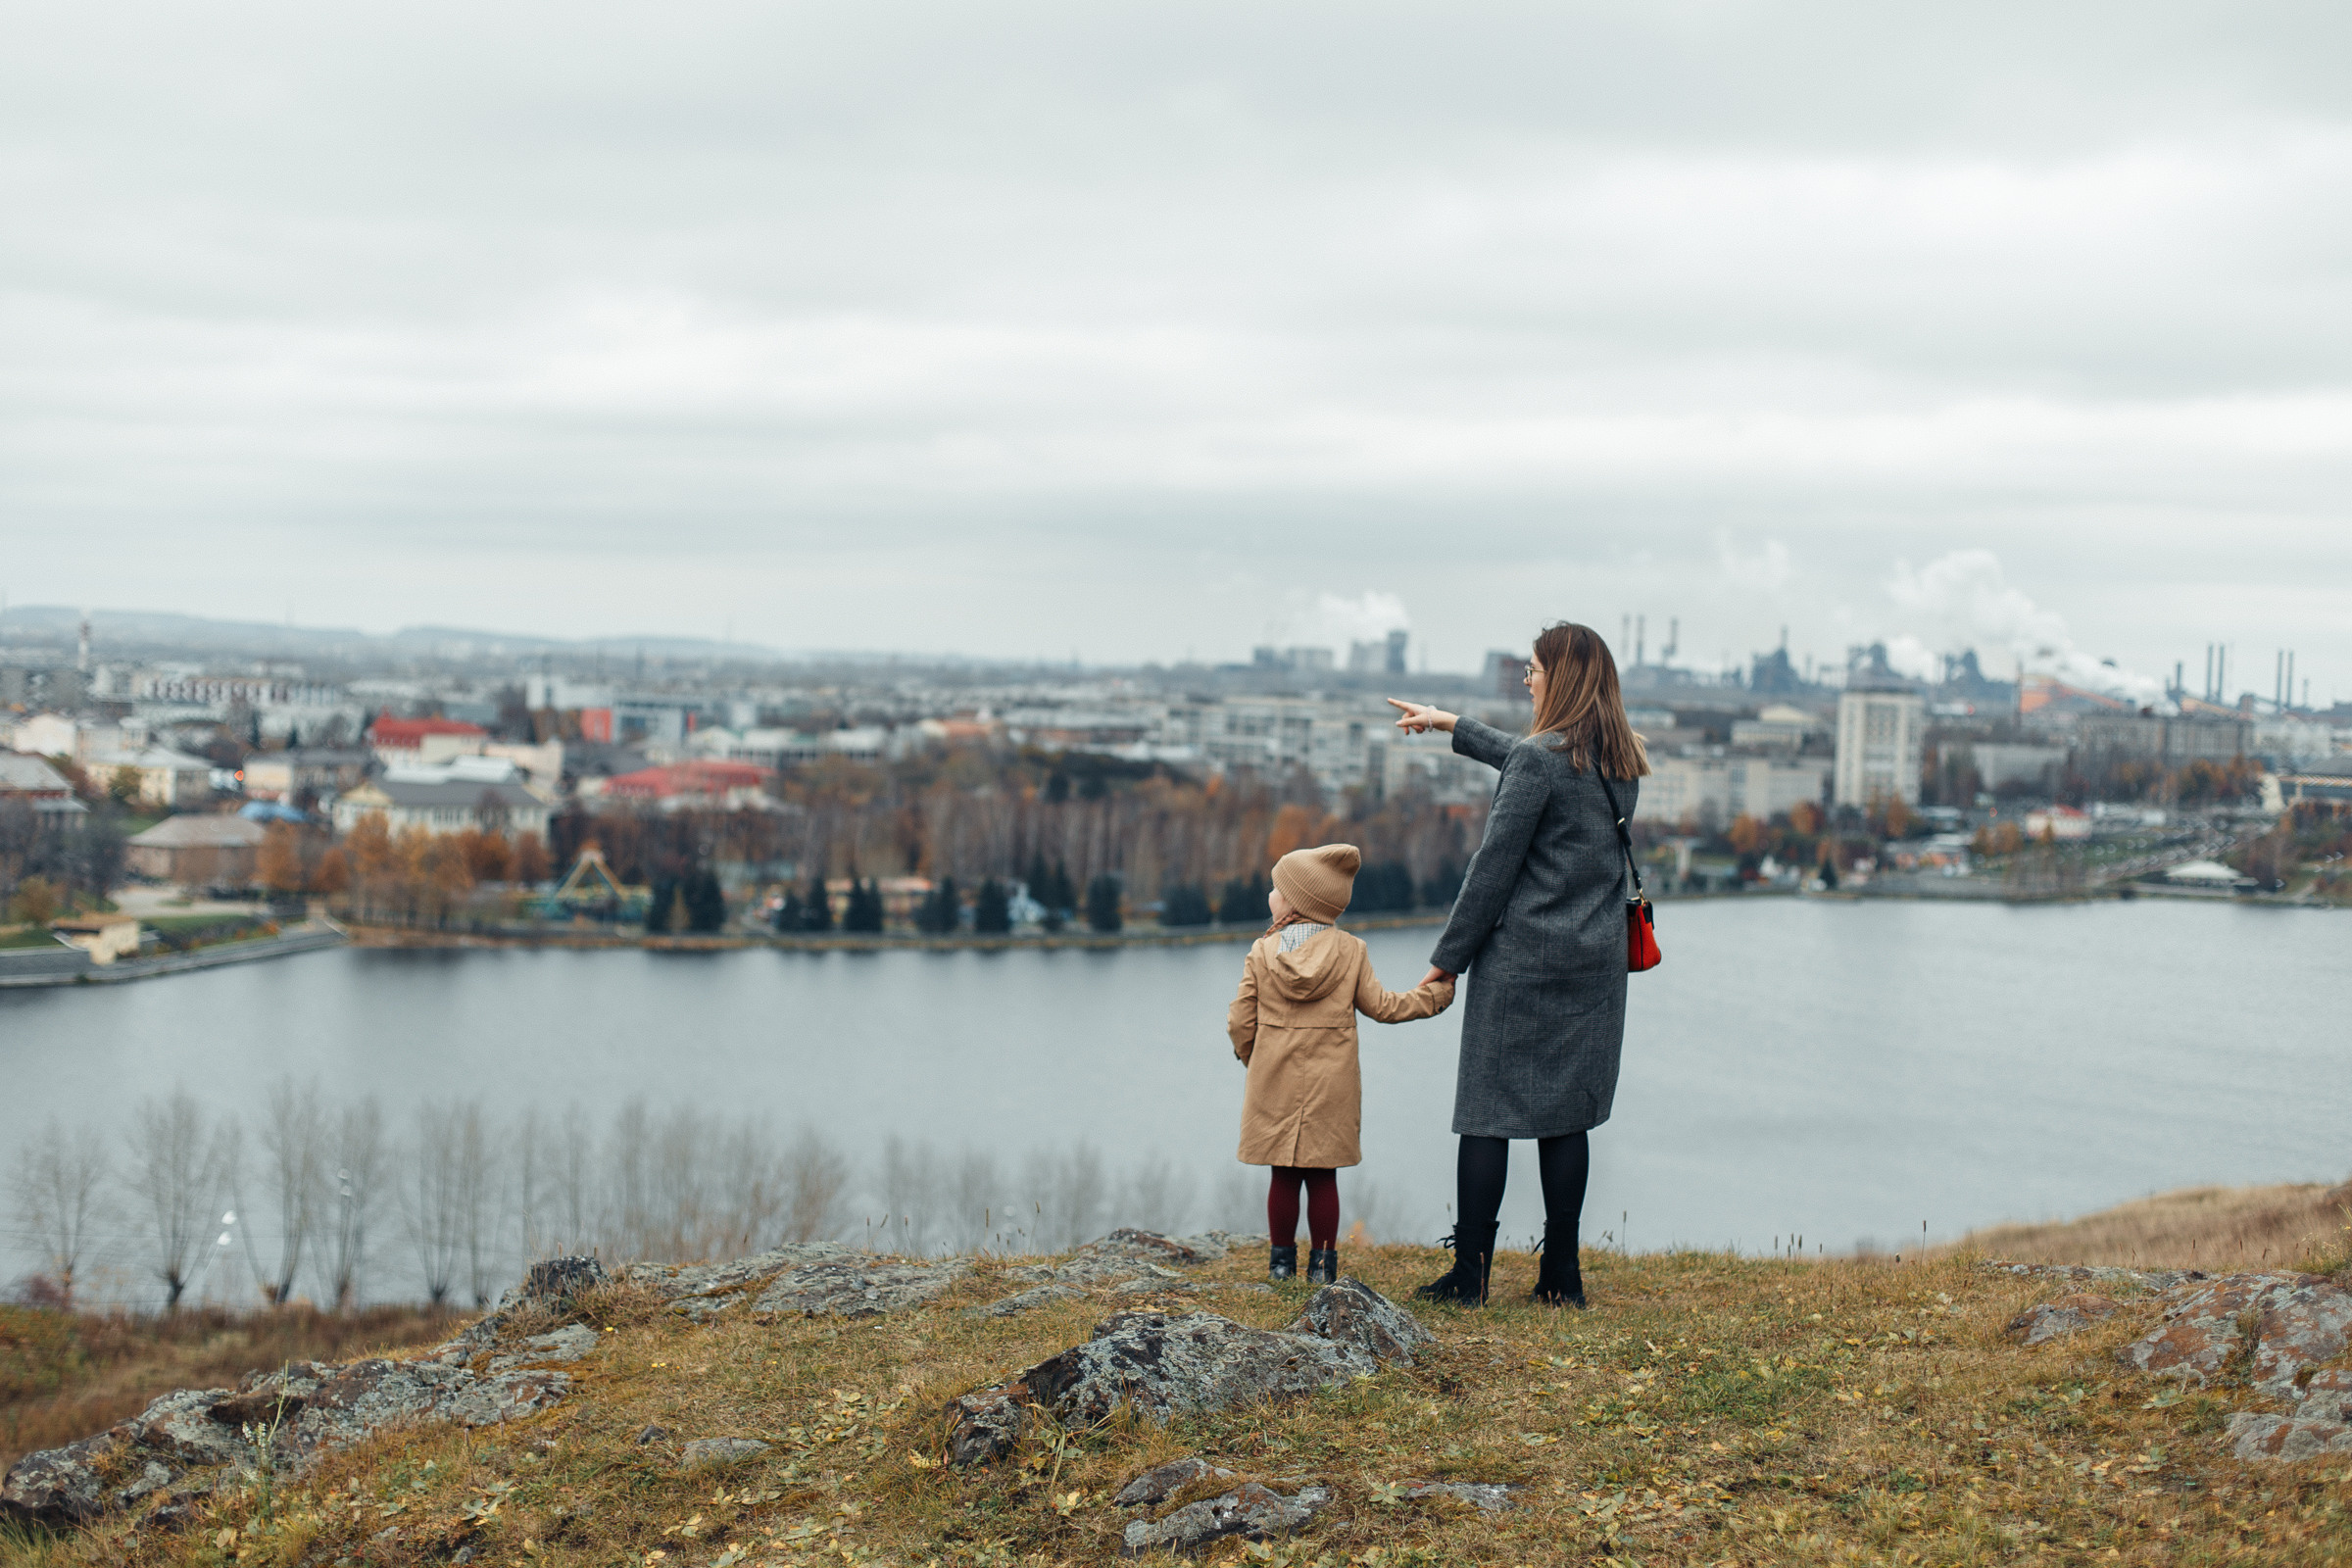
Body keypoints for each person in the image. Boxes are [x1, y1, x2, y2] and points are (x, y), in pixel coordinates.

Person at [1386, 621, 1650, 1307]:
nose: (1528, 679)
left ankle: (1470, 1276)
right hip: (1594, 967)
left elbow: (1491, 873)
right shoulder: (1620, 762)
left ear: (1557, 679)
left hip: (1523, 966)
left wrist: (1446, 962)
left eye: (1533, 670)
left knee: (1487, 1114)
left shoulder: (1541, 762)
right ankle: (1561, 1276)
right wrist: (1453, 724)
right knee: (1567, 1119)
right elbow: (1539, 763)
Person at [1226, 843, 1456, 1285]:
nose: (1271, 894)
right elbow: (1384, 1006)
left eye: (1277, 889)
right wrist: (1436, 994)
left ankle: (1279, 1264)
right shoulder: (1351, 951)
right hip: (1332, 1083)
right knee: (1323, 1174)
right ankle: (1323, 1266)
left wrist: (1252, 1056)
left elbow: (1240, 1018)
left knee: (1284, 1174)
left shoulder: (1262, 951)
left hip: (1273, 1077)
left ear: (1295, 901)